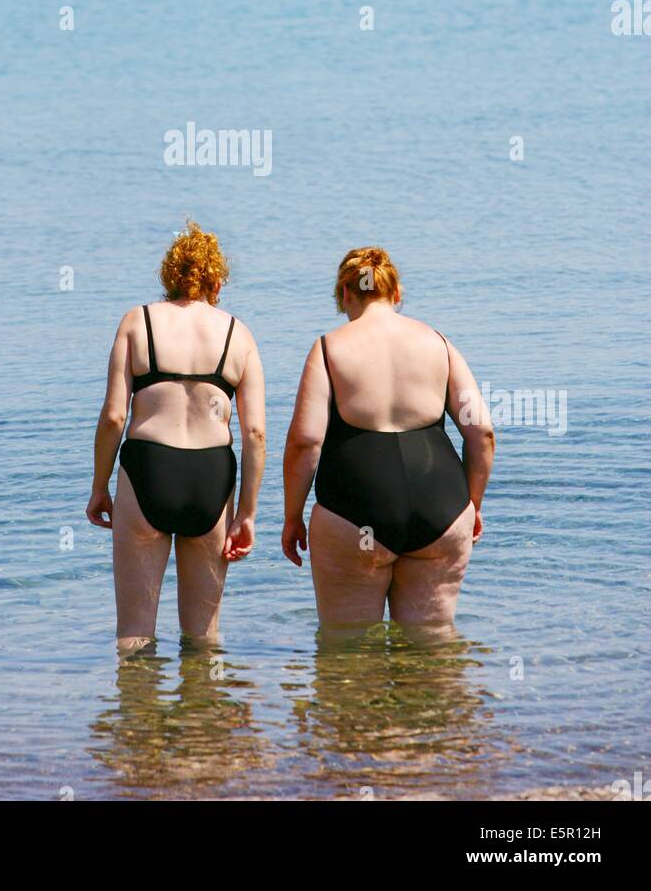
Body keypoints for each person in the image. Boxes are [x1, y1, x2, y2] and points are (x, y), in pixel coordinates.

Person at [282, 247, 494, 633]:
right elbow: (481, 432)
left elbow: (306, 442)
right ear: (397, 295)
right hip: (441, 511)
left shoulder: (330, 349)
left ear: (345, 294)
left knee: (348, 652)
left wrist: (292, 517)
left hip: (354, 513)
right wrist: (472, 505)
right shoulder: (439, 344)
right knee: (433, 654)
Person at [87, 221, 266, 652]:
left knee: (134, 632)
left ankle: (135, 714)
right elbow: (255, 433)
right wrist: (247, 513)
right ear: (216, 281)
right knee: (204, 639)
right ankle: (201, 716)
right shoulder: (238, 334)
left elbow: (114, 416)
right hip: (210, 476)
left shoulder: (137, 321)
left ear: (170, 277)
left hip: (148, 467)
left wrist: (99, 487)